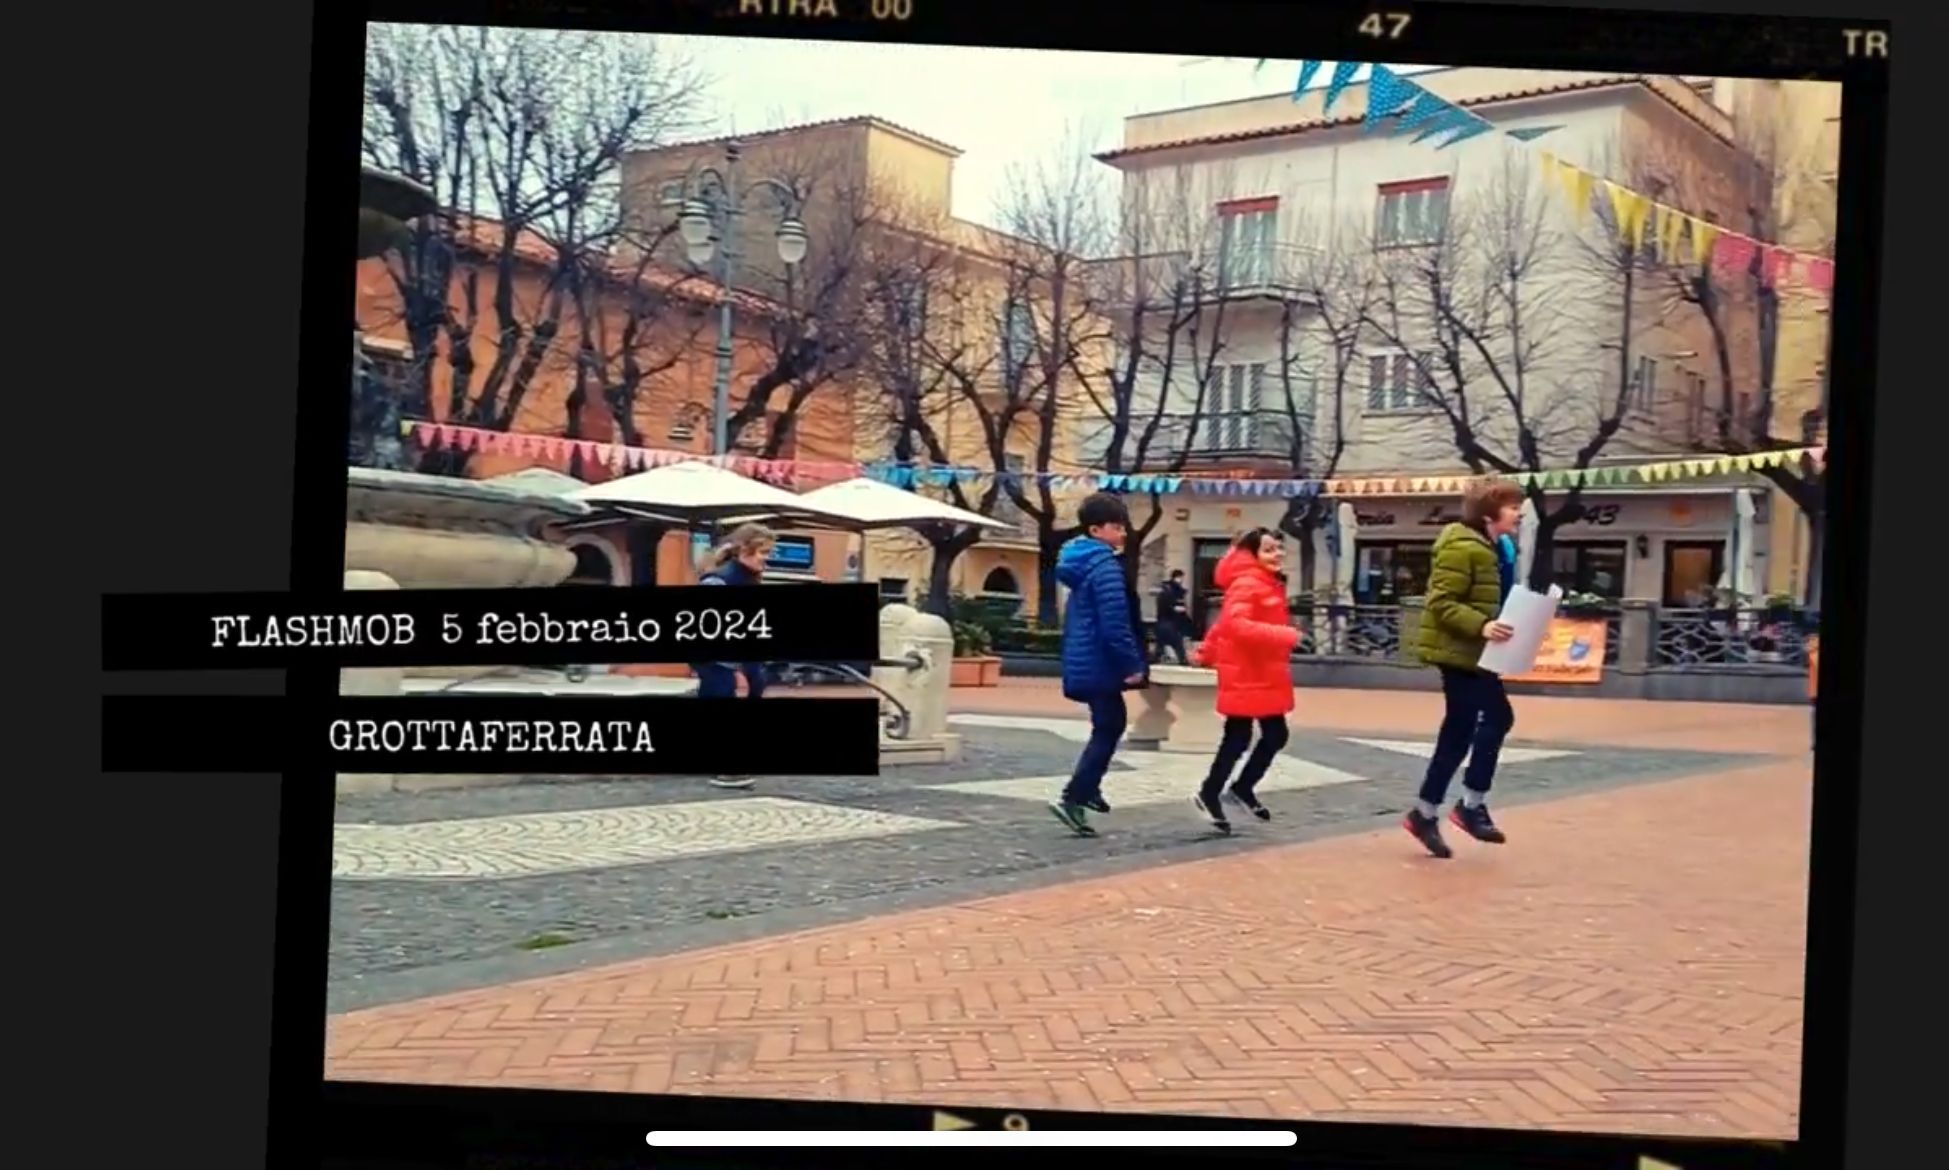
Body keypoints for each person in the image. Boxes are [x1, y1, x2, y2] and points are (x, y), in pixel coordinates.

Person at [1404, 479, 1524, 858]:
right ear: (1489, 513)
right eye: (1511, 506)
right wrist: (1482, 625)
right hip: (1459, 652)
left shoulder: (1493, 547)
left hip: (1477, 653)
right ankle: (1466, 808)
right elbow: (1440, 602)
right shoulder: (1462, 548)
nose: (1518, 512)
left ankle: (1432, 812)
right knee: (1487, 721)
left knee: (1462, 730)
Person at [1048, 493, 1148, 837]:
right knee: (1109, 726)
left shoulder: (1080, 563)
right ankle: (1075, 796)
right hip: (1101, 662)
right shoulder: (1104, 567)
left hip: (1086, 659)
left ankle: (1089, 790)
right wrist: (1131, 664)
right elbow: (1114, 622)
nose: (1122, 534)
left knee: (1108, 724)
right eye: (1116, 527)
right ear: (1095, 529)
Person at [1190, 528, 1300, 835]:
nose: (1277, 554)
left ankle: (1238, 789)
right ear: (1251, 555)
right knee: (1241, 737)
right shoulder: (1248, 584)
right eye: (1268, 549)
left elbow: (1223, 624)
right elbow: (1237, 626)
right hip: (1247, 672)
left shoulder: (1264, 583)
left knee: (1272, 735)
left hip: (1260, 672)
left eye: (1279, 548)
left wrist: (1206, 651)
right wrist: (1287, 636)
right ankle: (1212, 793)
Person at [693, 523, 776, 791]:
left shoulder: (748, 579)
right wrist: (735, 667)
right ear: (744, 550)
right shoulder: (719, 581)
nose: (767, 558)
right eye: (763, 552)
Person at [1154, 569, 1191, 664]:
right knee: (1177, 642)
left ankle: (1155, 657)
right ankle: (1183, 660)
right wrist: (1175, 609)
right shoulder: (1171, 591)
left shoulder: (1168, 590)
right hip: (1169, 620)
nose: (1182, 580)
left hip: (1165, 621)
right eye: (1181, 577)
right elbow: (1167, 605)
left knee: (1161, 643)